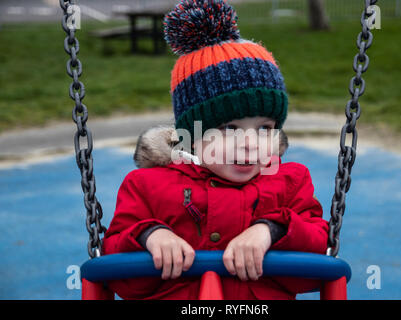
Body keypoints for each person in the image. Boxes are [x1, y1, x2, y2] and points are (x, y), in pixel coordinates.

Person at [102, 0, 329, 300]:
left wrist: (271, 230)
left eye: (265, 128)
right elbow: (116, 268)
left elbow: (319, 249)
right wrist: (149, 237)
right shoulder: (147, 186)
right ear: (190, 135)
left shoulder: (290, 183)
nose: (250, 143)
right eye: (229, 128)